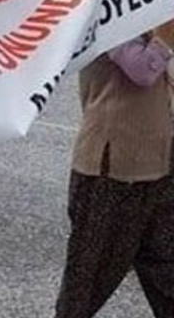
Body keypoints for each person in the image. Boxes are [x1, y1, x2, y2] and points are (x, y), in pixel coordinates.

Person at [54, 30, 174, 318]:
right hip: (113, 168)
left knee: (167, 274)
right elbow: (142, 70)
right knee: (87, 281)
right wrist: (167, 33)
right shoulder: (116, 9)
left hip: (161, 163)